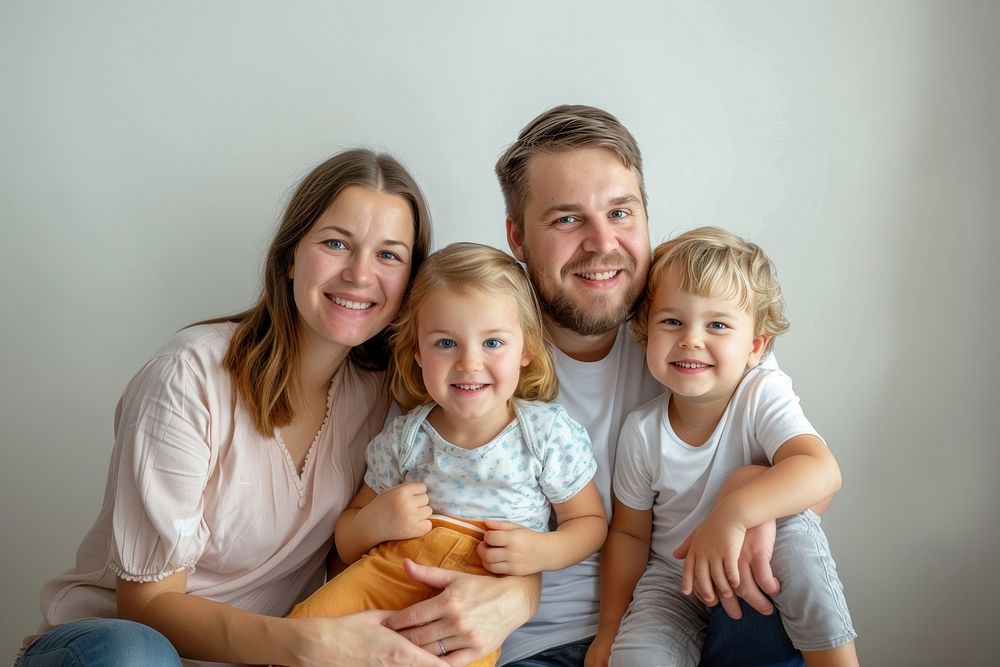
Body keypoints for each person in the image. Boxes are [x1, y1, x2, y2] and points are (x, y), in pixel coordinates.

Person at [16, 149, 531, 667]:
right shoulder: (189, 377)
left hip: (273, 656)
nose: (359, 274)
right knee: (133, 653)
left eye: (389, 255)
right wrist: (305, 644)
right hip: (119, 651)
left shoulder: (391, 397)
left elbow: (461, 512)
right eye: (336, 243)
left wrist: (519, 595)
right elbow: (146, 606)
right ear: (290, 256)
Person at [493, 104, 812, 666]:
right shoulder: (479, 350)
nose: (601, 243)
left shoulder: (693, 333)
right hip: (531, 639)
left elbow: (816, 475)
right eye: (567, 219)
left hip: (692, 607)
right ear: (517, 237)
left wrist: (751, 497)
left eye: (621, 212)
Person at [286, 242, 607, 667]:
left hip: (479, 598)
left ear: (526, 349)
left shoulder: (544, 435)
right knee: (305, 632)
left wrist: (542, 552)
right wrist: (375, 521)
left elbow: (588, 522)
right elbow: (347, 539)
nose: (469, 363)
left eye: (493, 342)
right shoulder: (405, 437)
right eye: (445, 343)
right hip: (390, 574)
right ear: (417, 351)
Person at [588, 227, 858, 666]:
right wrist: (610, 628)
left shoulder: (761, 394)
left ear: (755, 346)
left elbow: (821, 470)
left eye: (717, 325)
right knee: (635, 655)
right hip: (676, 579)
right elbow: (630, 533)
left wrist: (733, 516)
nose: (691, 339)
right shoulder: (641, 431)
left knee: (797, 537)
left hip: (757, 559)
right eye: (672, 321)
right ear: (645, 333)